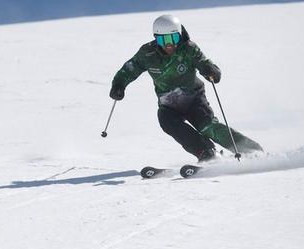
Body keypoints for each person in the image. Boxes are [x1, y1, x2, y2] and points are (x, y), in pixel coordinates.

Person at [110, 14, 262, 162]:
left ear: (179, 35)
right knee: (168, 123)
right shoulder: (147, 53)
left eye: (174, 38)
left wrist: (211, 71)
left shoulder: (188, 49)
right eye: (164, 39)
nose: (169, 44)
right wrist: (119, 85)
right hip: (168, 104)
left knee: (207, 126)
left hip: (193, 98)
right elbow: (130, 69)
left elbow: (203, 62)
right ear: (156, 38)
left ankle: (250, 150)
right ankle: (206, 152)